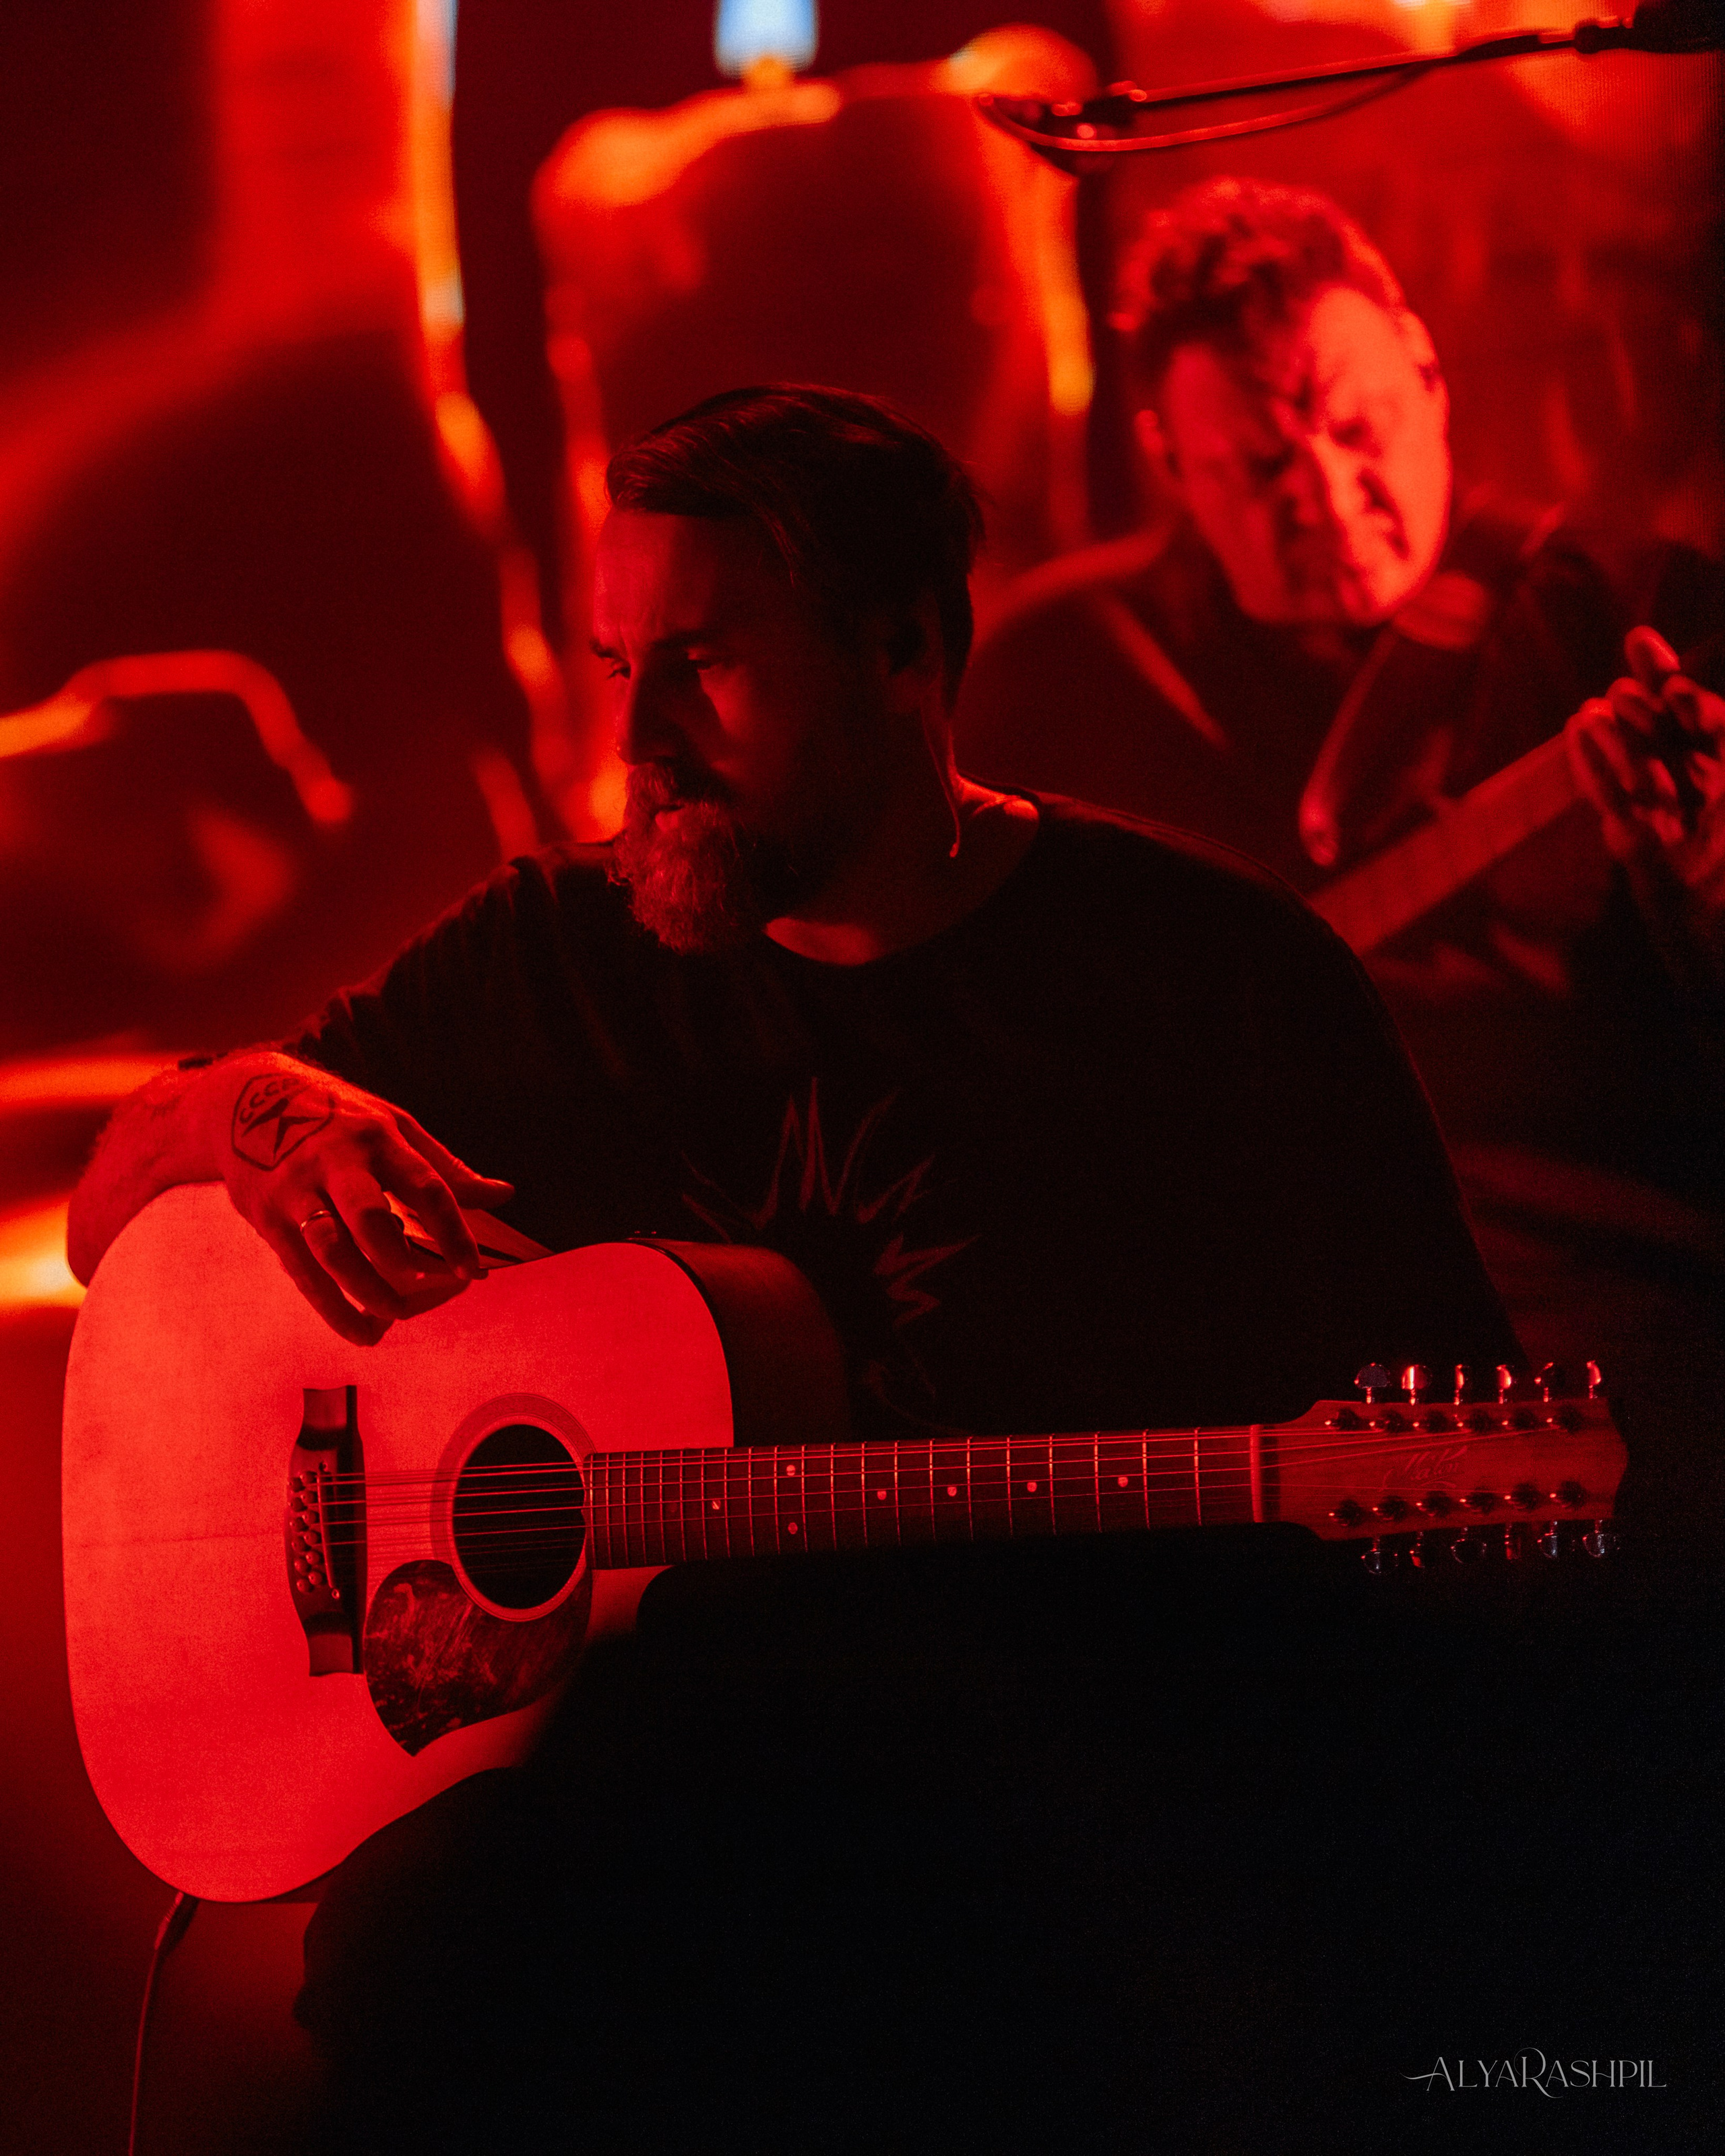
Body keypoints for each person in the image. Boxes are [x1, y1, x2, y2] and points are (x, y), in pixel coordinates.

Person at [71, 387, 1533, 2150]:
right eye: (623, 667)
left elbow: (1465, 1548)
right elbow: (119, 1220)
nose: (648, 738)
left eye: (706, 663)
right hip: (604, 1874)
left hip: (1040, 1857)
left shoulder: (1223, 991)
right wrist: (254, 1116)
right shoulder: (548, 958)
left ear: (907, 652)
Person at [955, 177, 1725, 1558]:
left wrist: (1706, 874)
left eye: (1353, 426)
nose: (1322, 492)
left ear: (1426, 376)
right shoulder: (1052, 677)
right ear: (1166, 461)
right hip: (1200, 1332)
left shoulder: (1642, 616)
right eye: (1257, 464)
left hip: (1568, 1303)